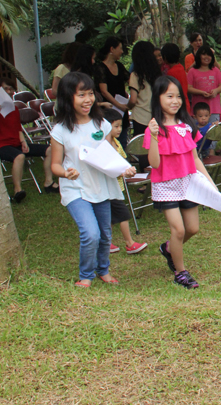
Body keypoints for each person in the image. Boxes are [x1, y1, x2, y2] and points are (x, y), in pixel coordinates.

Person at [49, 72, 136, 287]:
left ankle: (103, 270)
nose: (88, 100)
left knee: (105, 235)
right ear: (68, 97)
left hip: (102, 186)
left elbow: (109, 154)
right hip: (76, 188)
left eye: (90, 94)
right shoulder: (60, 130)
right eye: (81, 95)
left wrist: (125, 168)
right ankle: (86, 275)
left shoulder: (102, 124)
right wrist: (66, 172)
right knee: (90, 233)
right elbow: (55, 165)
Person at [144, 76, 215, 289]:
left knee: (192, 229)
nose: (175, 101)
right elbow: (154, 163)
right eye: (169, 96)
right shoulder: (153, 129)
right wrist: (155, 138)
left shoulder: (186, 126)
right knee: (179, 230)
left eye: (178, 97)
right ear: (158, 99)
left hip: (188, 183)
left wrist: (210, 183)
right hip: (165, 185)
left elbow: (195, 159)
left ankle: (169, 249)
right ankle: (180, 272)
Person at [0, 78, 58, 202]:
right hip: (0, 145)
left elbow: (18, 129)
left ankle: (49, 183)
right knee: (19, 156)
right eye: (6, 88)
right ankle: (18, 190)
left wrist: (23, 142)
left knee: (50, 149)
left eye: (11, 89)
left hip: (16, 143)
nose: (9, 91)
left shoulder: (13, 108)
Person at [103, 109, 148, 255]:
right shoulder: (102, 146)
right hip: (108, 187)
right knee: (123, 214)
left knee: (108, 216)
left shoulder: (116, 143)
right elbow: (107, 167)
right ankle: (129, 243)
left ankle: (106, 242)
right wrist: (122, 171)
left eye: (120, 126)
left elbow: (123, 161)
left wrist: (129, 169)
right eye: (115, 126)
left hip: (118, 186)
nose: (119, 129)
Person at [96, 37, 130, 148]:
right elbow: (104, 91)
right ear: (112, 49)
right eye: (120, 48)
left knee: (122, 139)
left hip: (121, 109)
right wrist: (118, 105)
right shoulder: (101, 68)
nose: (122, 51)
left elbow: (129, 80)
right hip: (108, 109)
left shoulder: (120, 66)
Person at [127, 41, 161, 139]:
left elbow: (133, 100)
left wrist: (126, 107)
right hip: (156, 115)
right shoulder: (156, 73)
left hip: (140, 117)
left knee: (142, 147)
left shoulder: (135, 75)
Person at [187, 47, 221, 122]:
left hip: (213, 109)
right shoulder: (192, 71)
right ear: (198, 56)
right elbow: (188, 88)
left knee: (213, 132)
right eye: (204, 55)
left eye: (209, 55)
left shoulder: (215, 70)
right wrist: (201, 92)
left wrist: (216, 91)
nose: (207, 57)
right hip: (198, 111)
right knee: (198, 133)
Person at [161, 43, 191, 114]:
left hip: (178, 105)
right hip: (185, 102)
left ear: (165, 57)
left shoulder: (171, 72)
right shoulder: (180, 67)